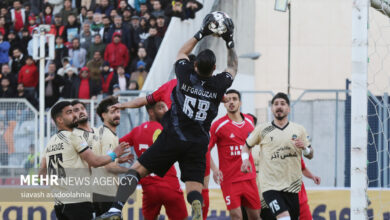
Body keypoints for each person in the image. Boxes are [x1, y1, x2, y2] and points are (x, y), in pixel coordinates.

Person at [97, 14, 236, 220]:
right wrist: (229, 40)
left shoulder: (183, 75)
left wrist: (201, 32)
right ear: (214, 69)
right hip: (198, 143)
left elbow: (181, 52)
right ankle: (196, 205)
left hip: (173, 136)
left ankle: (116, 209)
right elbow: (233, 67)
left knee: (136, 170)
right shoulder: (219, 86)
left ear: (195, 65)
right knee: (194, 186)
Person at [38, 101, 130, 220]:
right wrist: (114, 154)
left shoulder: (50, 142)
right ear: (60, 120)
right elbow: (95, 162)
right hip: (78, 200)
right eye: (70, 112)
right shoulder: (74, 136)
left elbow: (42, 175)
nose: (75, 115)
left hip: (59, 203)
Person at [241, 93, 314, 220]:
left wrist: (305, 148)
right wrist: (245, 160)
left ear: (289, 108)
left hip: (292, 187)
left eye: (282, 104)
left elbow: (311, 155)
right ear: (272, 108)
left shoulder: (299, 129)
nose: (279, 107)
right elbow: (246, 146)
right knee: (284, 218)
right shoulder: (262, 129)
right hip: (270, 187)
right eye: (276, 104)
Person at [120, 101, 188, 219]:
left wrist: (116, 159)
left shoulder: (136, 131)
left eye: (165, 106)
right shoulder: (168, 129)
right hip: (169, 186)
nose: (166, 110)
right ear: (151, 112)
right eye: (161, 107)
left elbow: (116, 144)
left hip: (149, 189)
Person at [209, 89, 261, 220]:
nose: (231, 102)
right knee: (236, 215)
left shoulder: (250, 121)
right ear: (224, 104)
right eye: (228, 100)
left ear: (240, 102)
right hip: (229, 180)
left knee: (255, 217)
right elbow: (205, 149)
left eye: (234, 99)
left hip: (249, 178)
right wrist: (215, 170)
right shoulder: (218, 125)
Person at [94, 96, 133, 216]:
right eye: (112, 112)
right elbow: (109, 167)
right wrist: (133, 172)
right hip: (107, 191)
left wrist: (119, 160)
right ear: (103, 115)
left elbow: (102, 159)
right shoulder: (108, 136)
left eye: (118, 111)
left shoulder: (102, 132)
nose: (117, 115)